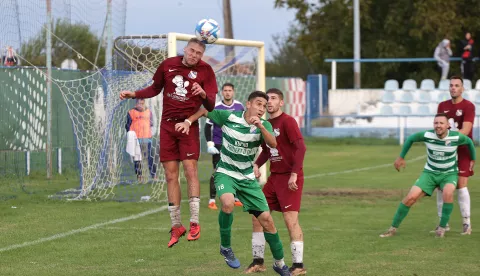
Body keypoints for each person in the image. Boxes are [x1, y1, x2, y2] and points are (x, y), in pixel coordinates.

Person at [175, 91, 291, 275]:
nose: (261, 109)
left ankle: (280, 263)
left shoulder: (265, 124)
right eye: (258, 104)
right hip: (226, 172)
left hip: (247, 178)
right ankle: (226, 247)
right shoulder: (229, 116)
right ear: (248, 104)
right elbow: (205, 111)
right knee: (228, 203)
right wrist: (188, 122)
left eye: (264, 106)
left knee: (267, 220)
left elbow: (274, 144)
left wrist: (261, 127)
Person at [119, 38, 217, 248]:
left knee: (190, 170)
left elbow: (211, 104)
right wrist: (135, 93)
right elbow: (155, 88)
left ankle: (194, 223)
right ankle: (176, 225)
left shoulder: (206, 71)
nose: (194, 55)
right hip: (167, 127)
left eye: (199, 53)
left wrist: (203, 94)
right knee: (170, 175)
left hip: (188, 127)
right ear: (185, 49)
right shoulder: (168, 65)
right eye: (192, 51)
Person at [380, 113, 476, 238]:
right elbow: (411, 139)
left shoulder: (456, 137)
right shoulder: (427, 135)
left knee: (448, 193)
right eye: (436, 123)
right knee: (410, 198)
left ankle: (441, 228)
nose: (438, 126)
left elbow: (469, 141)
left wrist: (472, 159)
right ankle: (392, 228)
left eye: (441, 123)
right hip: (429, 173)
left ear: (448, 126)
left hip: (449, 174)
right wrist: (401, 157)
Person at [245, 88, 307, 275]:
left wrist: (294, 174)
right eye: (266, 100)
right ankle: (258, 261)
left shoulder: (288, 121)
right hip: (274, 178)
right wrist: (256, 164)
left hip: (290, 177)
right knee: (257, 215)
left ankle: (298, 265)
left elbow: (301, 148)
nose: (269, 102)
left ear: (281, 102)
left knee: (290, 221)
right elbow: (266, 150)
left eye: (273, 99)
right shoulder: (266, 124)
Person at [435, 76, 476, 235]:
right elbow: (438, 127)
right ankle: (442, 223)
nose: (453, 88)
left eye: (456, 85)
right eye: (451, 85)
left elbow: (465, 131)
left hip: (463, 149)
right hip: (445, 150)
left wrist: (447, 136)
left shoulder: (468, 106)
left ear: (462, 89)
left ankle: (466, 223)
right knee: (440, 185)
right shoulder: (442, 105)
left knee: (461, 184)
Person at [204, 82, 245, 210]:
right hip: (219, 144)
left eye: (230, 90)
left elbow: (244, 124)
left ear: (233, 92)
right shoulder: (216, 107)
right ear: (222, 92)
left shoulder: (239, 106)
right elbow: (207, 126)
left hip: (234, 144)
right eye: (225, 90)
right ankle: (212, 200)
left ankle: (236, 197)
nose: (227, 92)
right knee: (218, 171)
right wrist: (210, 143)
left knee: (236, 170)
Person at [125, 99, 156, 181]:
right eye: (139, 103)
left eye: (142, 104)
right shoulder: (131, 112)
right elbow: (127, 126)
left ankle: (153, 175)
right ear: (136, 104)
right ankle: (139, 176)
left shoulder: (149, 112)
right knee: (137, 158)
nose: (141, 105)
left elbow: (151, 124)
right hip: (136, 139)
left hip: (147, 138)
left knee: (150, 157)